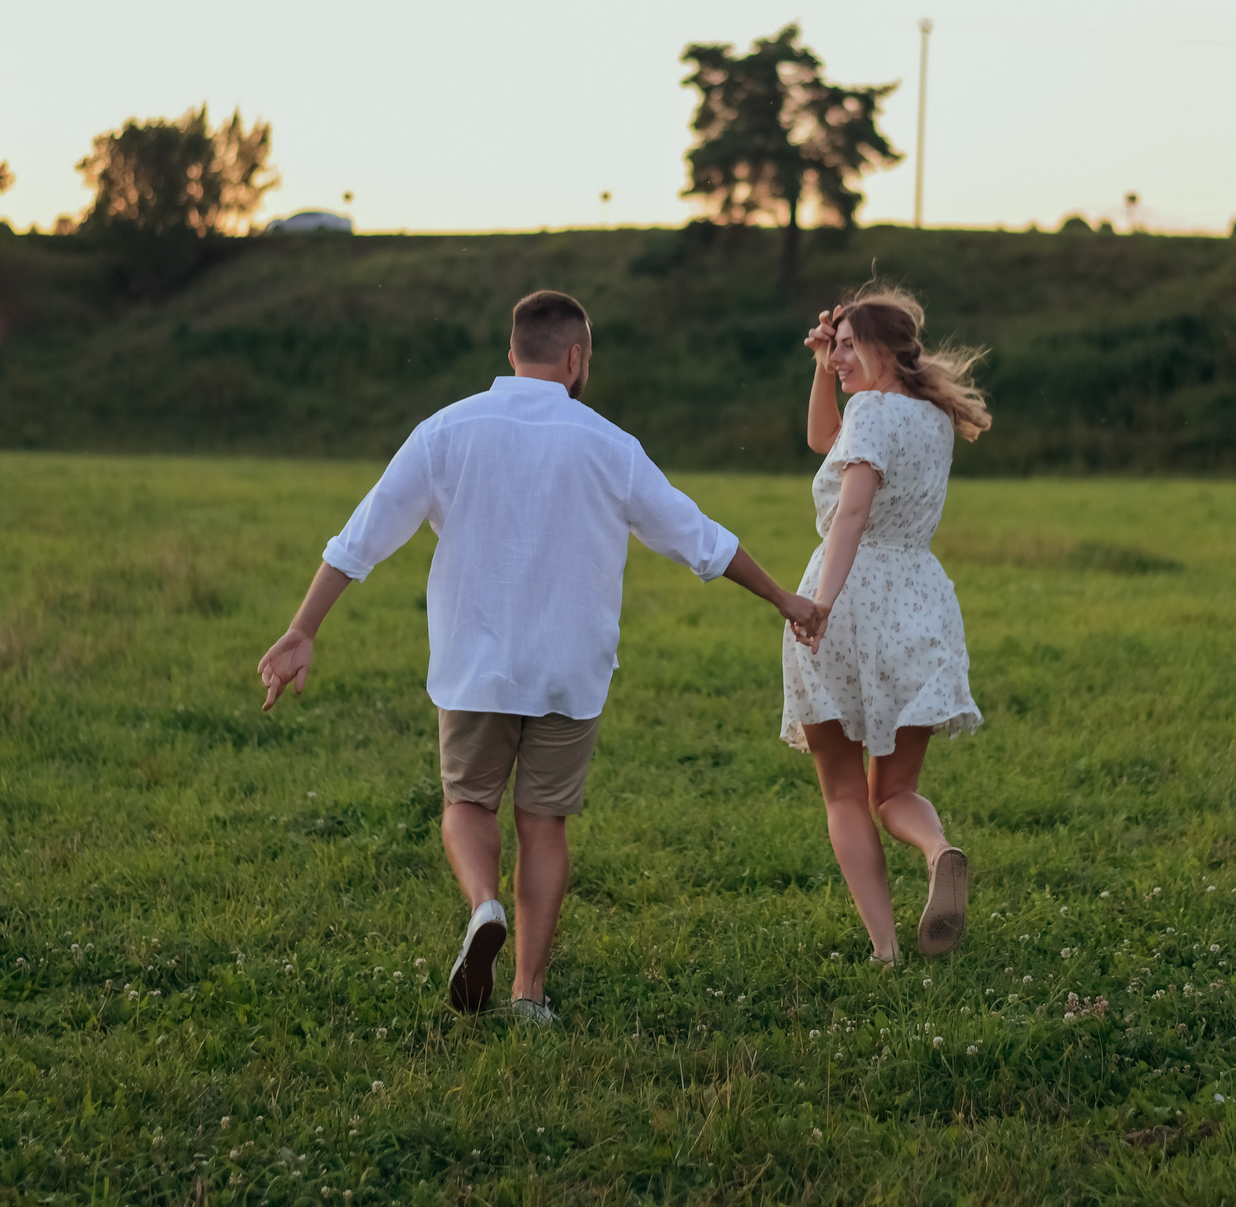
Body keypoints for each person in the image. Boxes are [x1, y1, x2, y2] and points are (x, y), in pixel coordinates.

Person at [257, 290, 818, 1025]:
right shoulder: (609, 445)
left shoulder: (446, 430)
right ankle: (529, 992)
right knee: (544, 823)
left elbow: (361, 536)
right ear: (577, 358)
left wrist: (303, 627)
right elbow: (701, 540)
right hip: (569, 670)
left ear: (512, 351)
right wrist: (785, 598)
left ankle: (484, 903)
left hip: (474, 664)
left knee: (465, 803)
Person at [786, 284, 990, 961]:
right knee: (896, 789)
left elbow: (850, 512)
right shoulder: (931, 415)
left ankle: (885, 948)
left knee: (845, 791)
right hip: (921, 601)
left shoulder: (871, 409)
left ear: (880, 347)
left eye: (846, 346)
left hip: (853, 596)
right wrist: (822, 367)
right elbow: (823, 438)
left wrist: (821, 602)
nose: (837, 357)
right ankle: (937, 850)